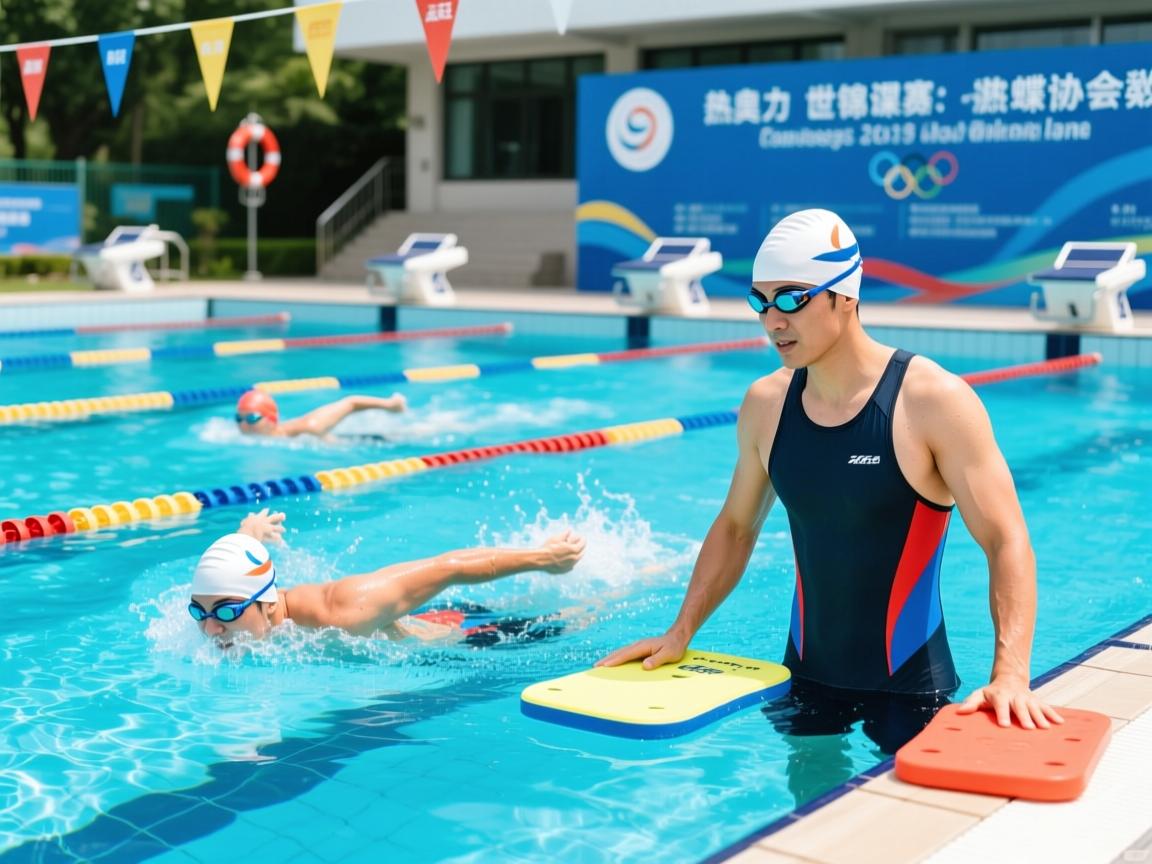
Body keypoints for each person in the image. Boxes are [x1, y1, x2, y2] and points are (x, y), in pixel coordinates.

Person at [599, 209, 1062, 764]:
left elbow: (1006, 539)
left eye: (792, 298)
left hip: (911, 692)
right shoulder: (766, 405)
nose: (772, 321)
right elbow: (736, 526)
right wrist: (681, 630)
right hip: (804, 682)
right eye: (760, 301)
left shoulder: (933, 402)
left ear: (845, 295)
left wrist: (1010, 673)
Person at [189, 508, 586, 649]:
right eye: (199, 611)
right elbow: (238, 563)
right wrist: (250, 532)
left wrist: (545, 558)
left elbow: (448, 567)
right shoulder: (239, 603)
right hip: (433, 619)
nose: (210, 629)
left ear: (267, 601)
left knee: (583, 617)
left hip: (465, 638)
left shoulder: (344, 610)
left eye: (225, 613)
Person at [234, 389, 407, 439]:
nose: (243, 425)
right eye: (239, 419)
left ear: (272, 419)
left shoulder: (309, 427)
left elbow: (351, 402)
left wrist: (391, 405)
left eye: (251, 418)